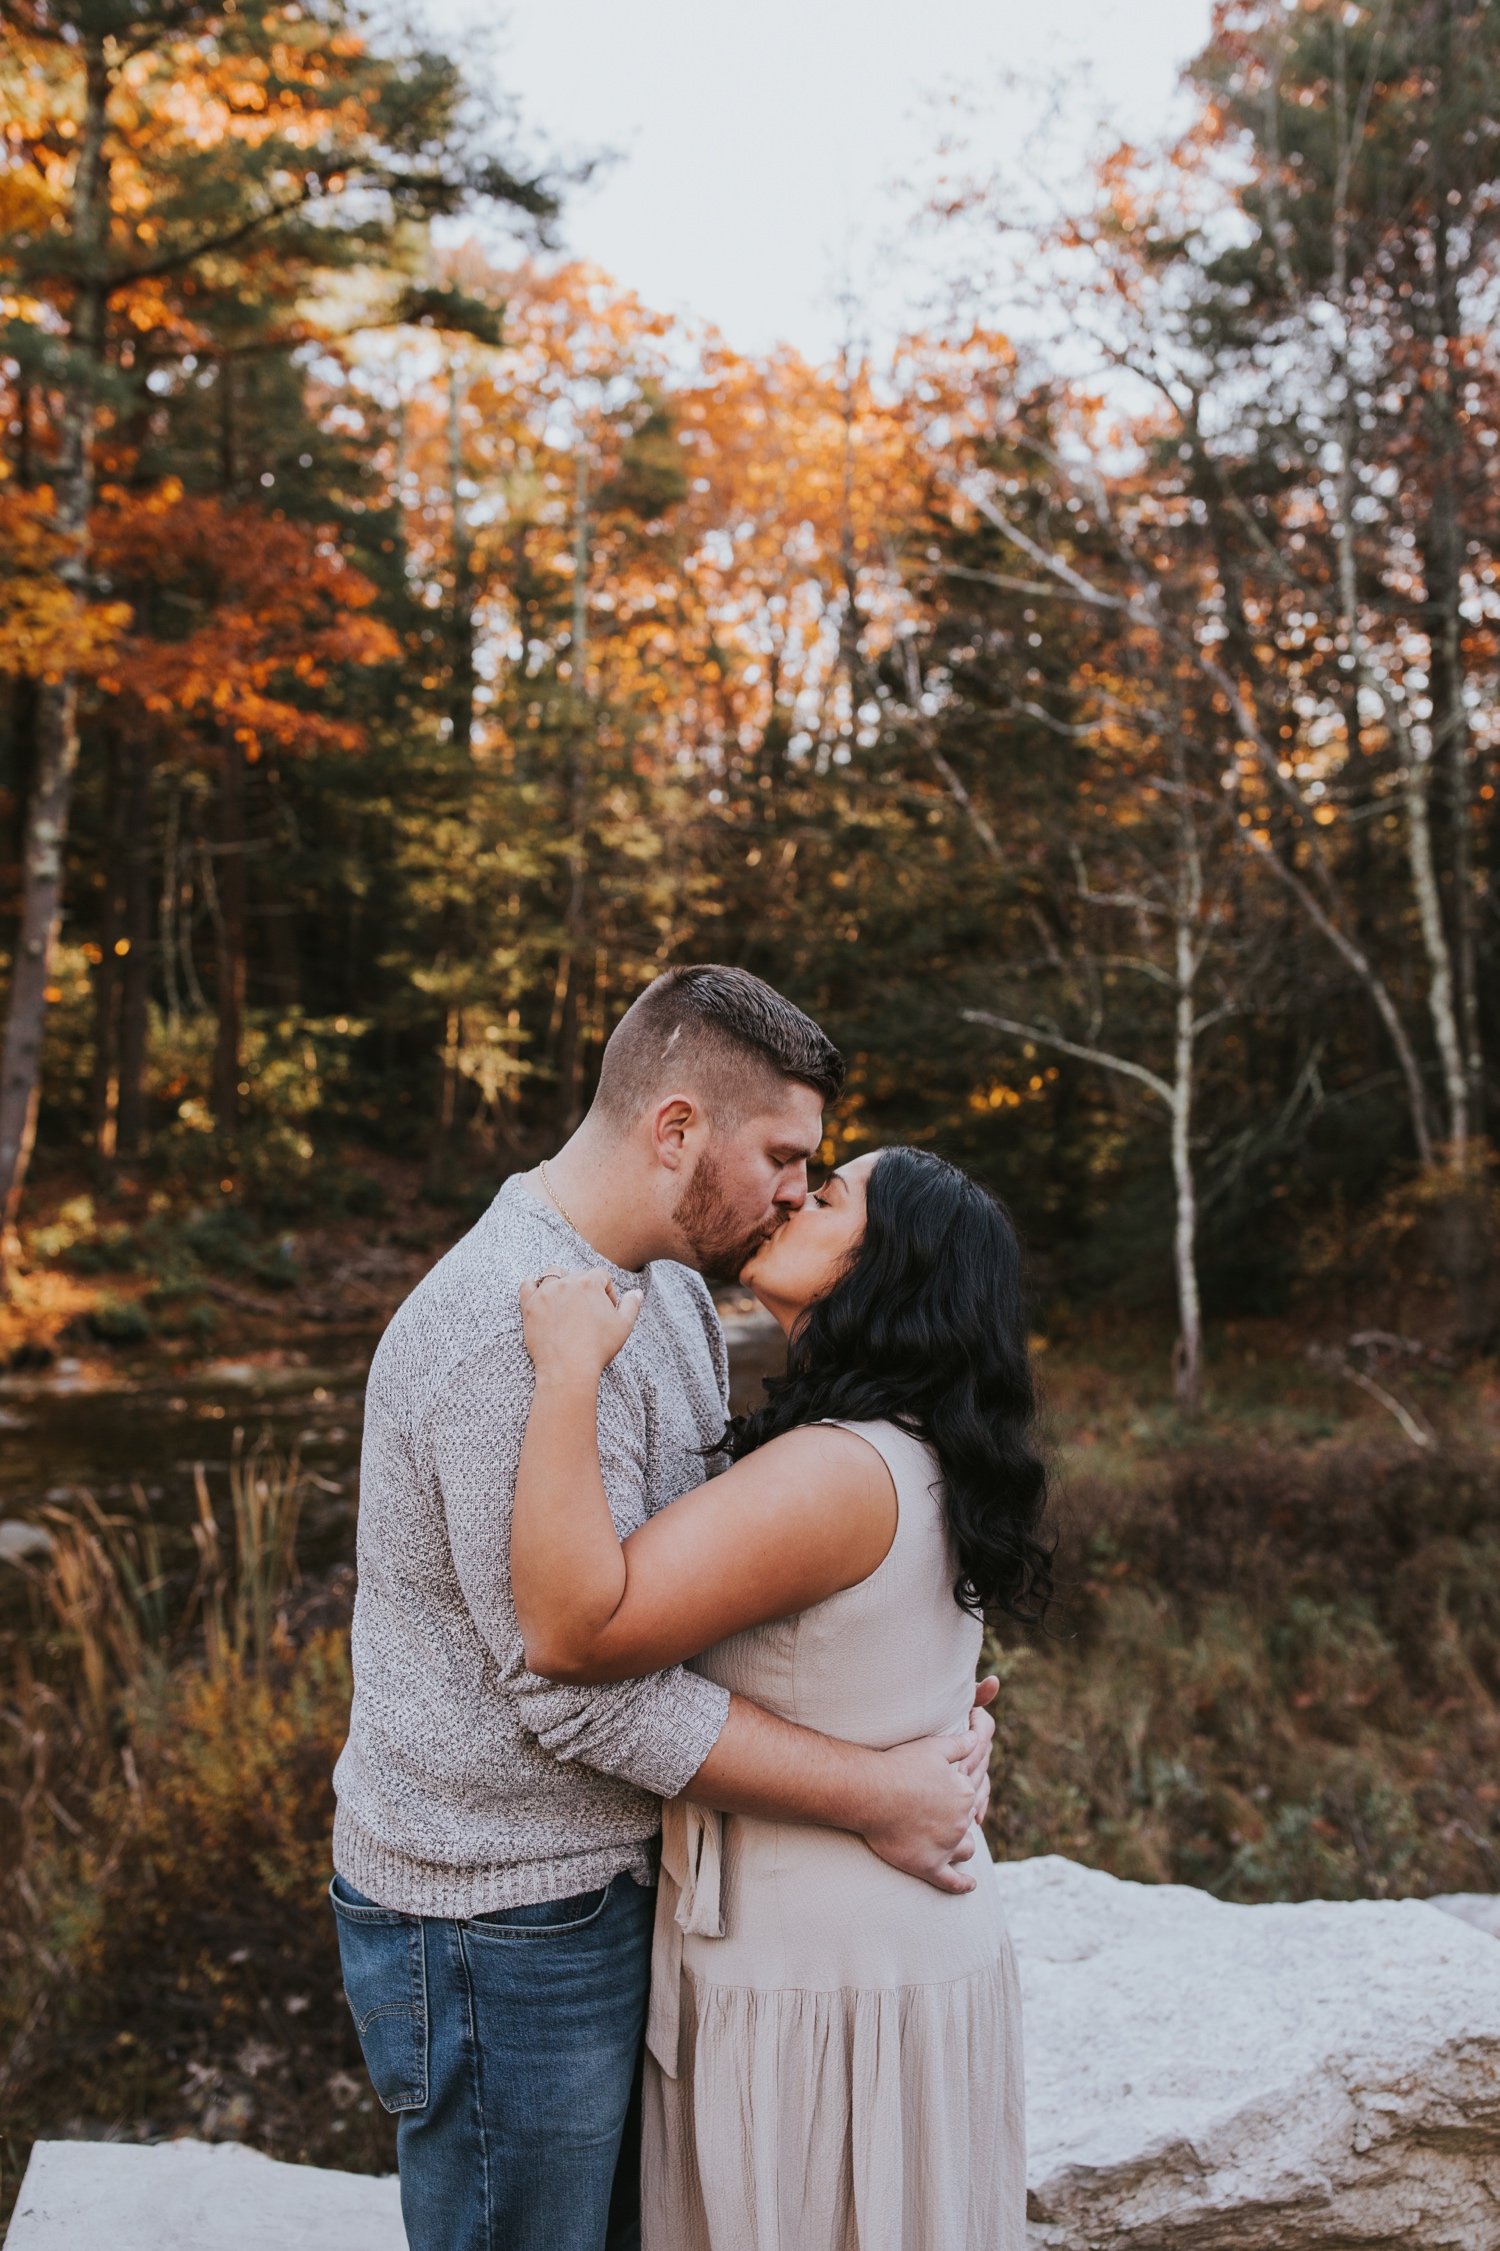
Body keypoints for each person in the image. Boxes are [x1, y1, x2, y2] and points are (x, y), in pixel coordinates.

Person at [329, 966, 999, 2251]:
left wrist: (905, 1702)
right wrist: (880, 1788)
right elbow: (573, 1684)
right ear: (678, 1129)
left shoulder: (678, 1292)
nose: (797, 1190)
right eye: (785, 1155)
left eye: (815, 1171)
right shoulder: (503, 1328)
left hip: (614, 1885)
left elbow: (701, 1591)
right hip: (500, 1914)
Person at [512, 1142, 1052, 2251]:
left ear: (885, 1266)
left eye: (834, 1191)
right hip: (891, 1947)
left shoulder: (837, 1470)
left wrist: (567, 1374)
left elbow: (575, 1628)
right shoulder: (918, 1447)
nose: (799, 1194)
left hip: (816, 1975)